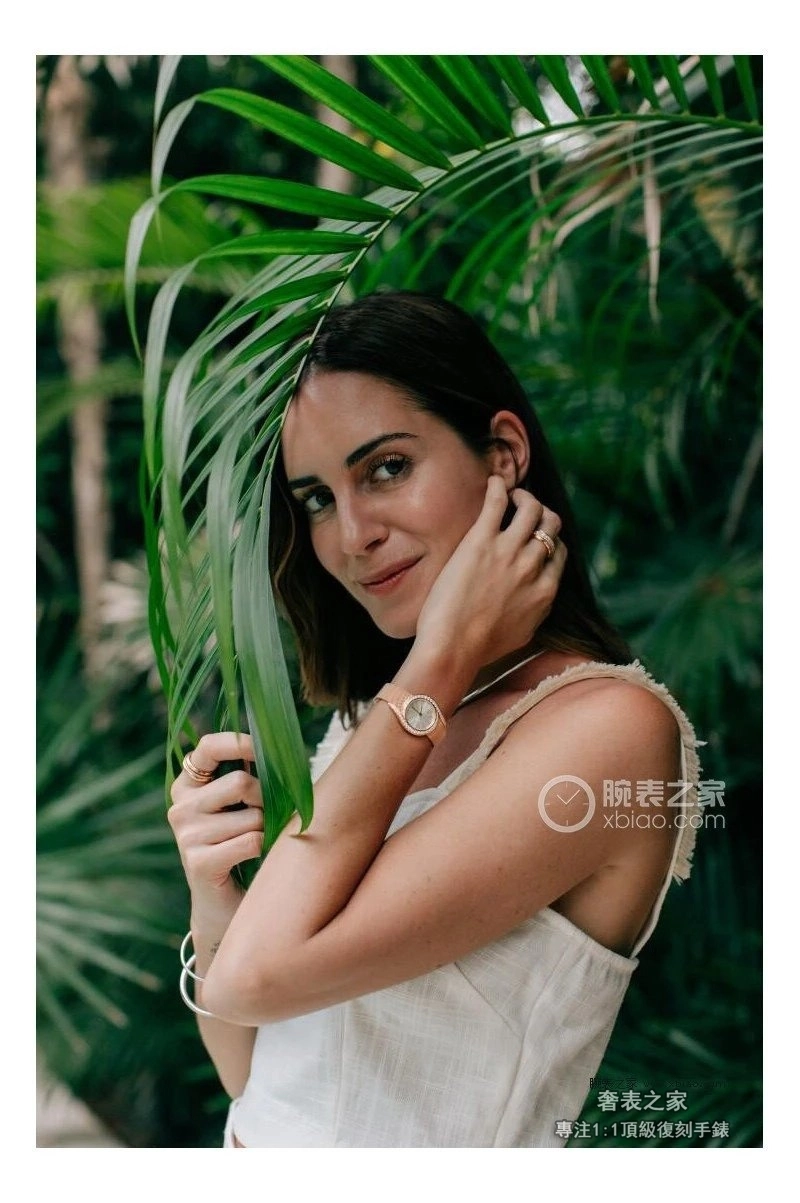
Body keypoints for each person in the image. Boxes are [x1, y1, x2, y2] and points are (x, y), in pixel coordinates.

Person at [168, 291, 703, 1148]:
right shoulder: (373, 723)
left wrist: (440, 661)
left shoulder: (609, 732)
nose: (352, 534)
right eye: (316, 498)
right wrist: (215, 889)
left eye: (386, 468)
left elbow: (252, 979)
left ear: (504, 455)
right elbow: (255, 1073)